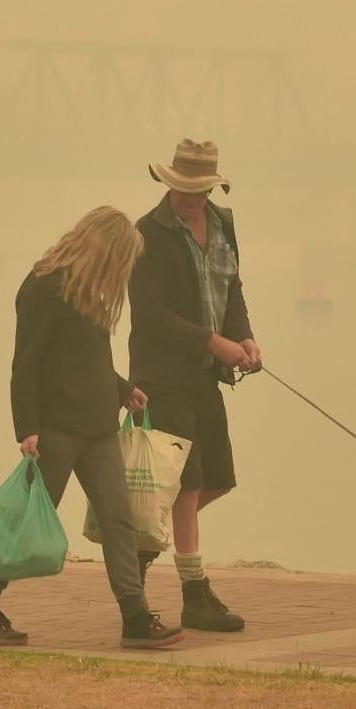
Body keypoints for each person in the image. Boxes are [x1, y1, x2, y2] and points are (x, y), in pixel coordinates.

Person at [0, 206, 188, 650]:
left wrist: (123, 388)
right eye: (120, 259)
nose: (121, 272)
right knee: (28, 522)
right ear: (103, 249)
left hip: (99, 427)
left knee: (119, 520)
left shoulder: (90, 291)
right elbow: (25, 363)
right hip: (56, 429)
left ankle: (135, 616)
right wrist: (26, 427)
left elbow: (88, 357)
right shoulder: (44, 287)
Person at [130, 139, 258, 633]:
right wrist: (212, 340)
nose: (190, 197)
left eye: (199, 189)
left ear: (211, 186)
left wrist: (243, 337)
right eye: (182, 188)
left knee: (216, 478)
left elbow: (233, 288)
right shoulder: (147, 234)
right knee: (186, 485)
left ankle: (138, 544)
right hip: (161, 376)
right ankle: (194, 592)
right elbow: (149, 314)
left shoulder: (224, 224)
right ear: (168, 184)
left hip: (207, 373)